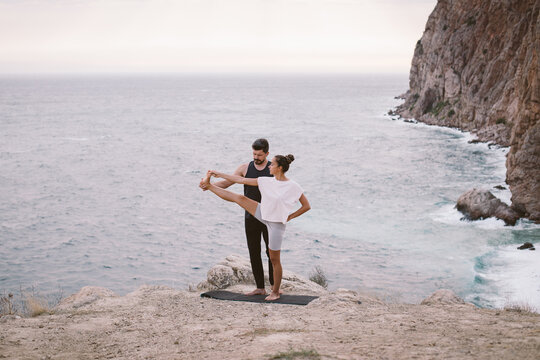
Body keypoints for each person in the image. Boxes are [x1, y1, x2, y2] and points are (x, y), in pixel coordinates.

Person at [200, 154, 311, 301]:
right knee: (241, 198)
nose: (270, 166)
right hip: (263, 212)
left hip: (276, 224)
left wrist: (290, 217)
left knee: (274, 259)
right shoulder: (266, 181)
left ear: (280, 168)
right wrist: (218, 174)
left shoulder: (293, 186)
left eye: (273, 165)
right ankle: (209, 186)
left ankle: (275, 292)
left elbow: (306, 206)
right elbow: (241, 180)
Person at [200, 139, 274, 296]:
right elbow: (227, 183)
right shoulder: (245, 168)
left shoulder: (273, 169)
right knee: (254, 252)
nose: (256, 157)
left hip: (269, 217)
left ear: (267, 154)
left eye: (259, 155)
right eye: (254, 153)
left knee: (271, 252)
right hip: (250, 216)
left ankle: (275, 286)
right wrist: (207, 185)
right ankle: (260, 288)